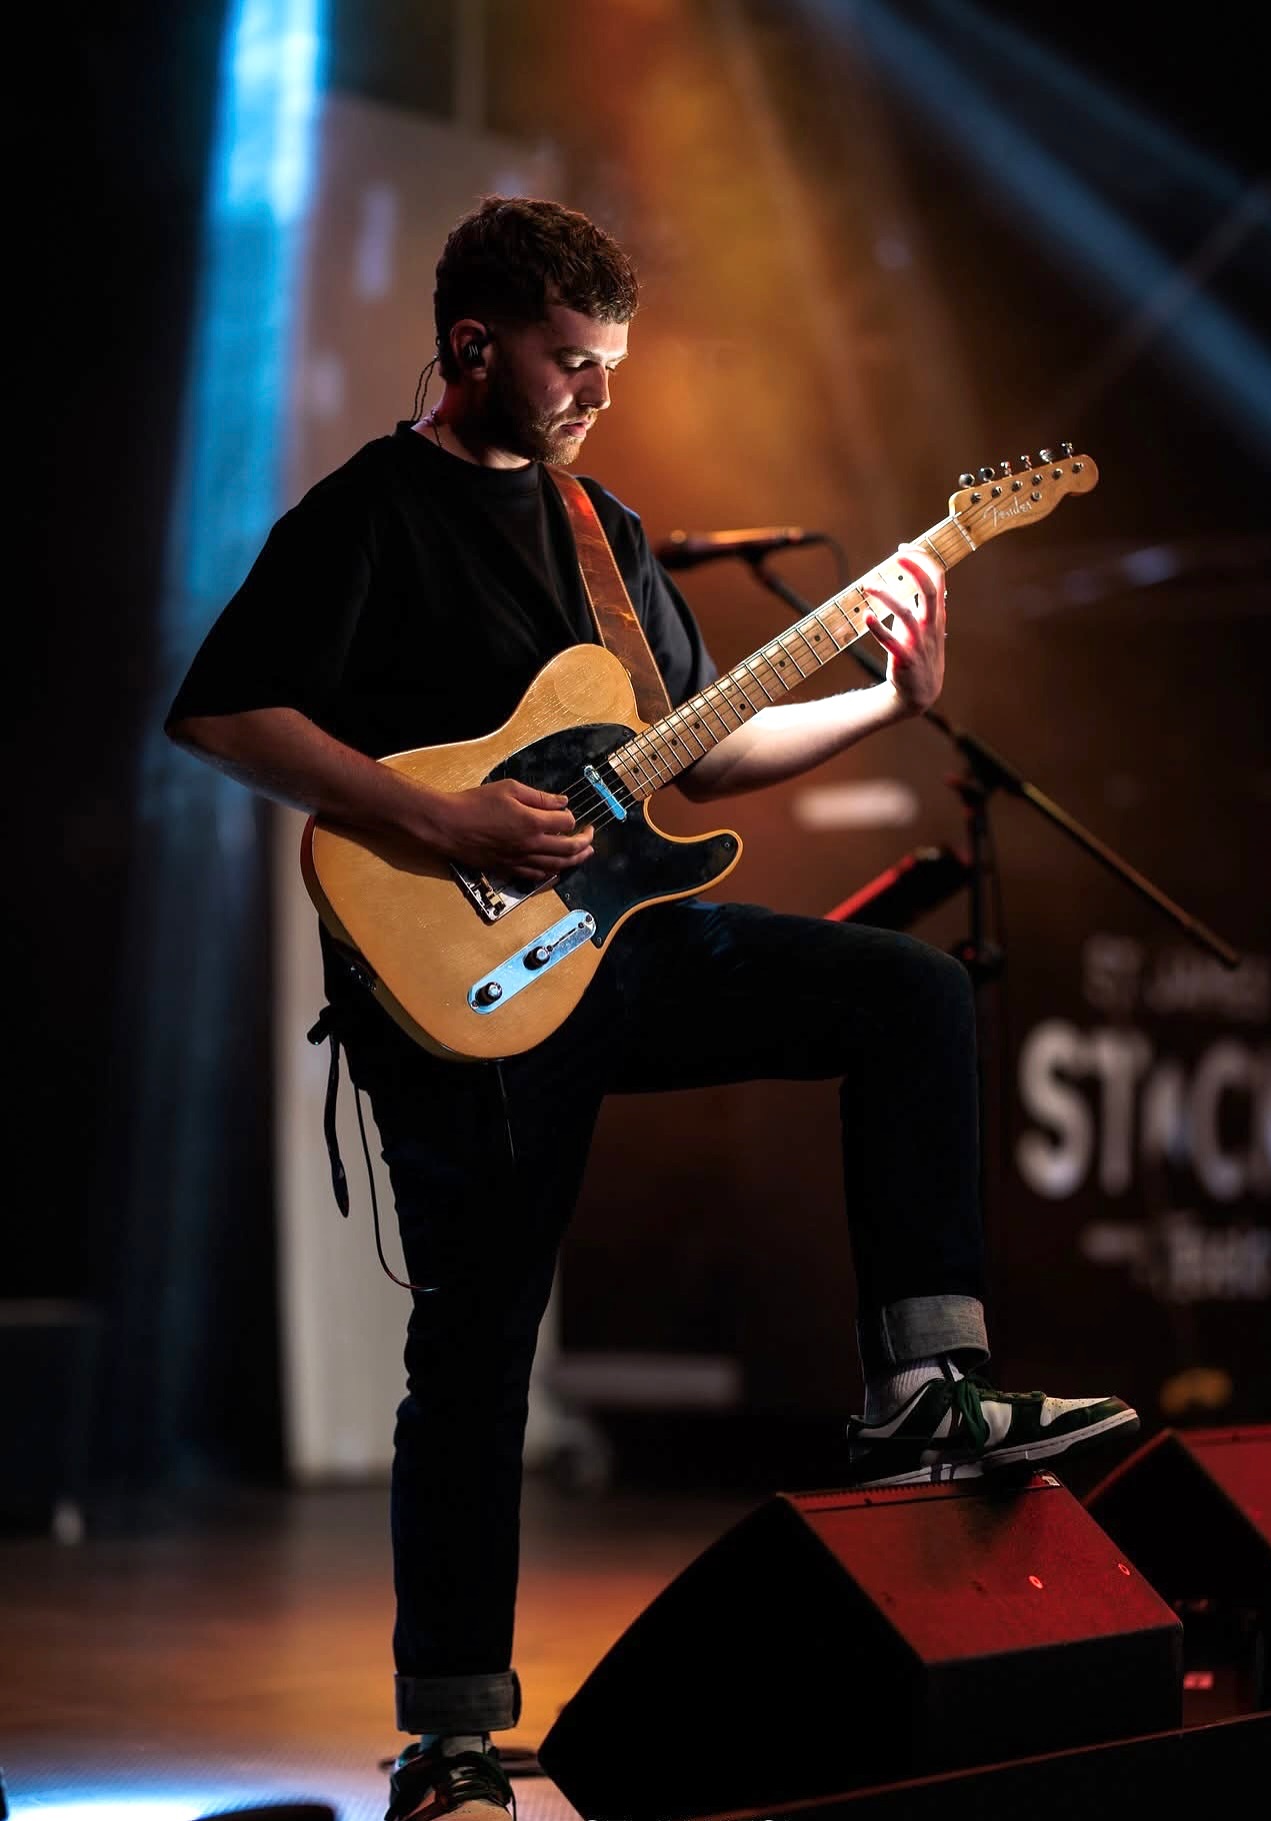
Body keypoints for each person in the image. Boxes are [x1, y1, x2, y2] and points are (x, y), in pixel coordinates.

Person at [165, 196, 1138, 1821]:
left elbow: (695, 749)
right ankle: (453, 1738)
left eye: (611, 365)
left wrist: (883, 698)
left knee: (899, 990)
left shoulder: (605, 534)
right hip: (454, 982)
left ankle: (923, 1380)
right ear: (473, 345)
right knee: (471, 1352)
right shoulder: (369, 514)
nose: (596, 396)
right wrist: (442, 822)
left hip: (618, 949)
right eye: (570, 364)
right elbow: (222, 712)